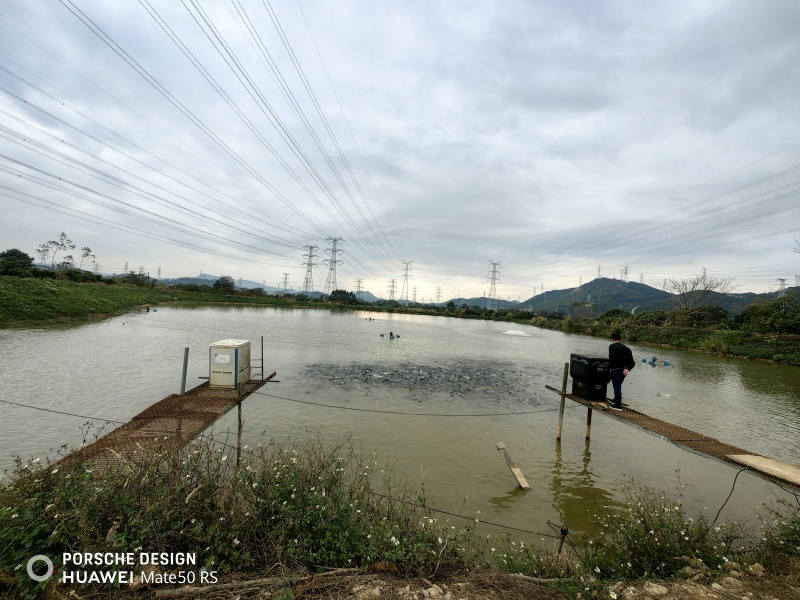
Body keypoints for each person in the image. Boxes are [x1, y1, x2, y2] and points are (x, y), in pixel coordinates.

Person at [608, 332, 635, 411]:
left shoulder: (612, 346)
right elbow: (632, 362)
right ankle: (615, 400)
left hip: (616, 369)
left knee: (617, 387)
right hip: (624, 371)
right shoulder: (627, 349)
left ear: (612, 339)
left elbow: (612, 358)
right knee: (618, 385)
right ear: (620, 339)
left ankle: (618, 405)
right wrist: (627, 368)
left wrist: (620, 366)